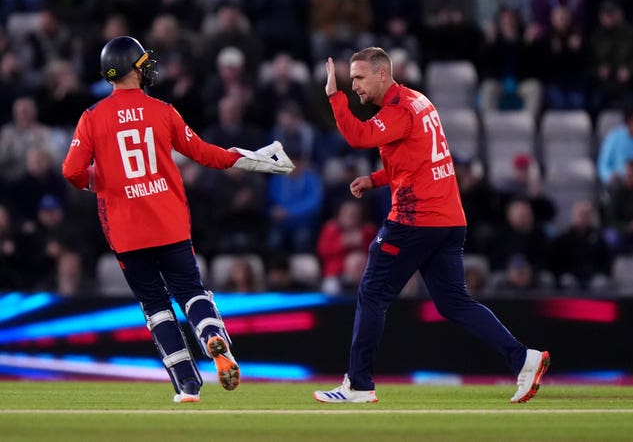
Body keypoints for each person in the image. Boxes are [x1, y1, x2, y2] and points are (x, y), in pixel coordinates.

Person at [62, 36, 294, 403]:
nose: (147, 67)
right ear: (131, 68)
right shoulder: (162, 110)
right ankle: (212, 337)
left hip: (126, 230)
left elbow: (72, 171)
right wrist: (256, 159)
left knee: (155, 307)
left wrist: (100, 180)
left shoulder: (92, 118)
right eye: (141, 62)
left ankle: (187, 385)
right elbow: (205, 154)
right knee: (191, 292)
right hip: (168, 223)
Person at [313, 47, 549, 404]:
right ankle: (523, 358)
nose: (355, 86)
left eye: (359, 78)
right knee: (454, 302)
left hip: (414, 219)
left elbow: (358, 137)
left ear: (381, 74)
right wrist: (375, 180)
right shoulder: (418, 101)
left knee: (373, 293)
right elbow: (416, 160)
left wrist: (334, 96)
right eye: (351, 79)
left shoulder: (398, 109)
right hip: (449, 219)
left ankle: (359, 385)